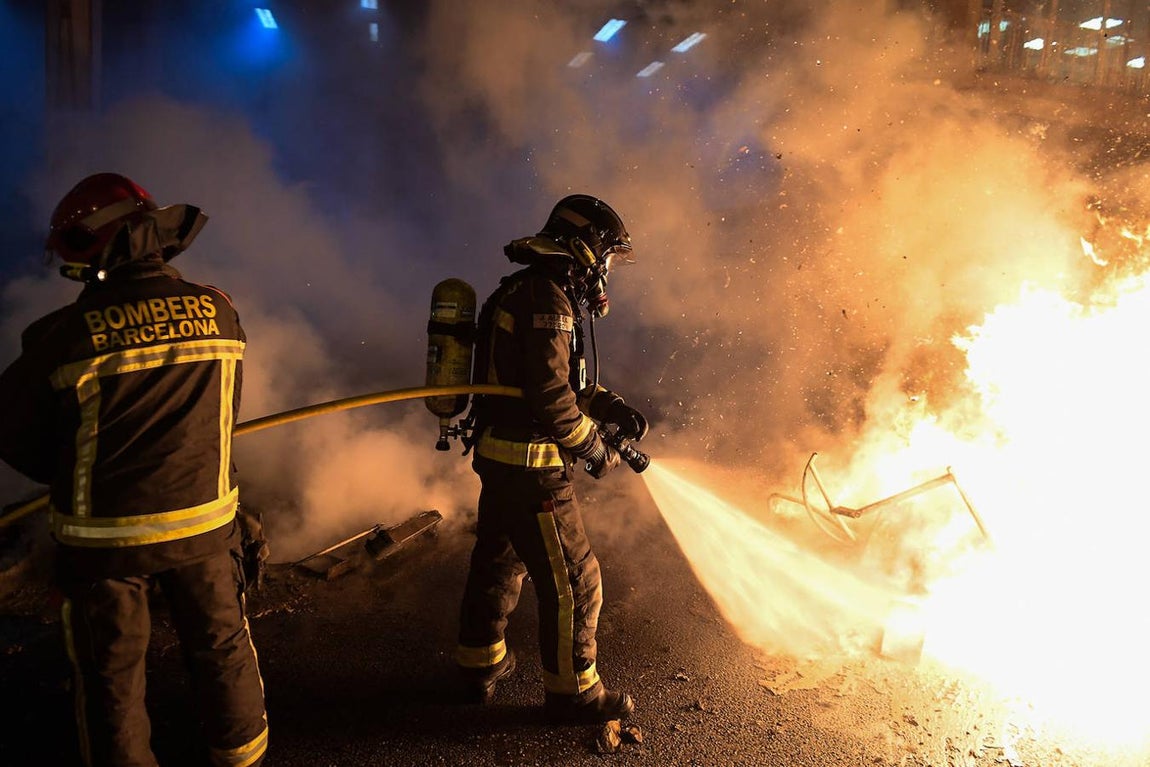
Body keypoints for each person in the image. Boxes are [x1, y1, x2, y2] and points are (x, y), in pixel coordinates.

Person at [0, 173, 269, 766]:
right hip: (205, 525)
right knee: (222, 648)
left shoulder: (62, 335)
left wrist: (80, 467)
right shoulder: (219, 310)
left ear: (94, 245)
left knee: (112, 678)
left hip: (106, 544)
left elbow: (17, 438)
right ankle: (242, 758)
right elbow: (222, 414)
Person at [455, 193, 650, 723]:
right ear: (585, 247)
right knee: (576, 579)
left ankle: (479, 662)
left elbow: (557, 381)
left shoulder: (530, 289)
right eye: (607, 257)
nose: (607, 271)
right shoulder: (549, 298)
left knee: (499, 561)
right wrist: (595, 447)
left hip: (501, 459)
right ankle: (574, 694)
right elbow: (549, 395)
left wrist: (610, 406)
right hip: (533, 468)